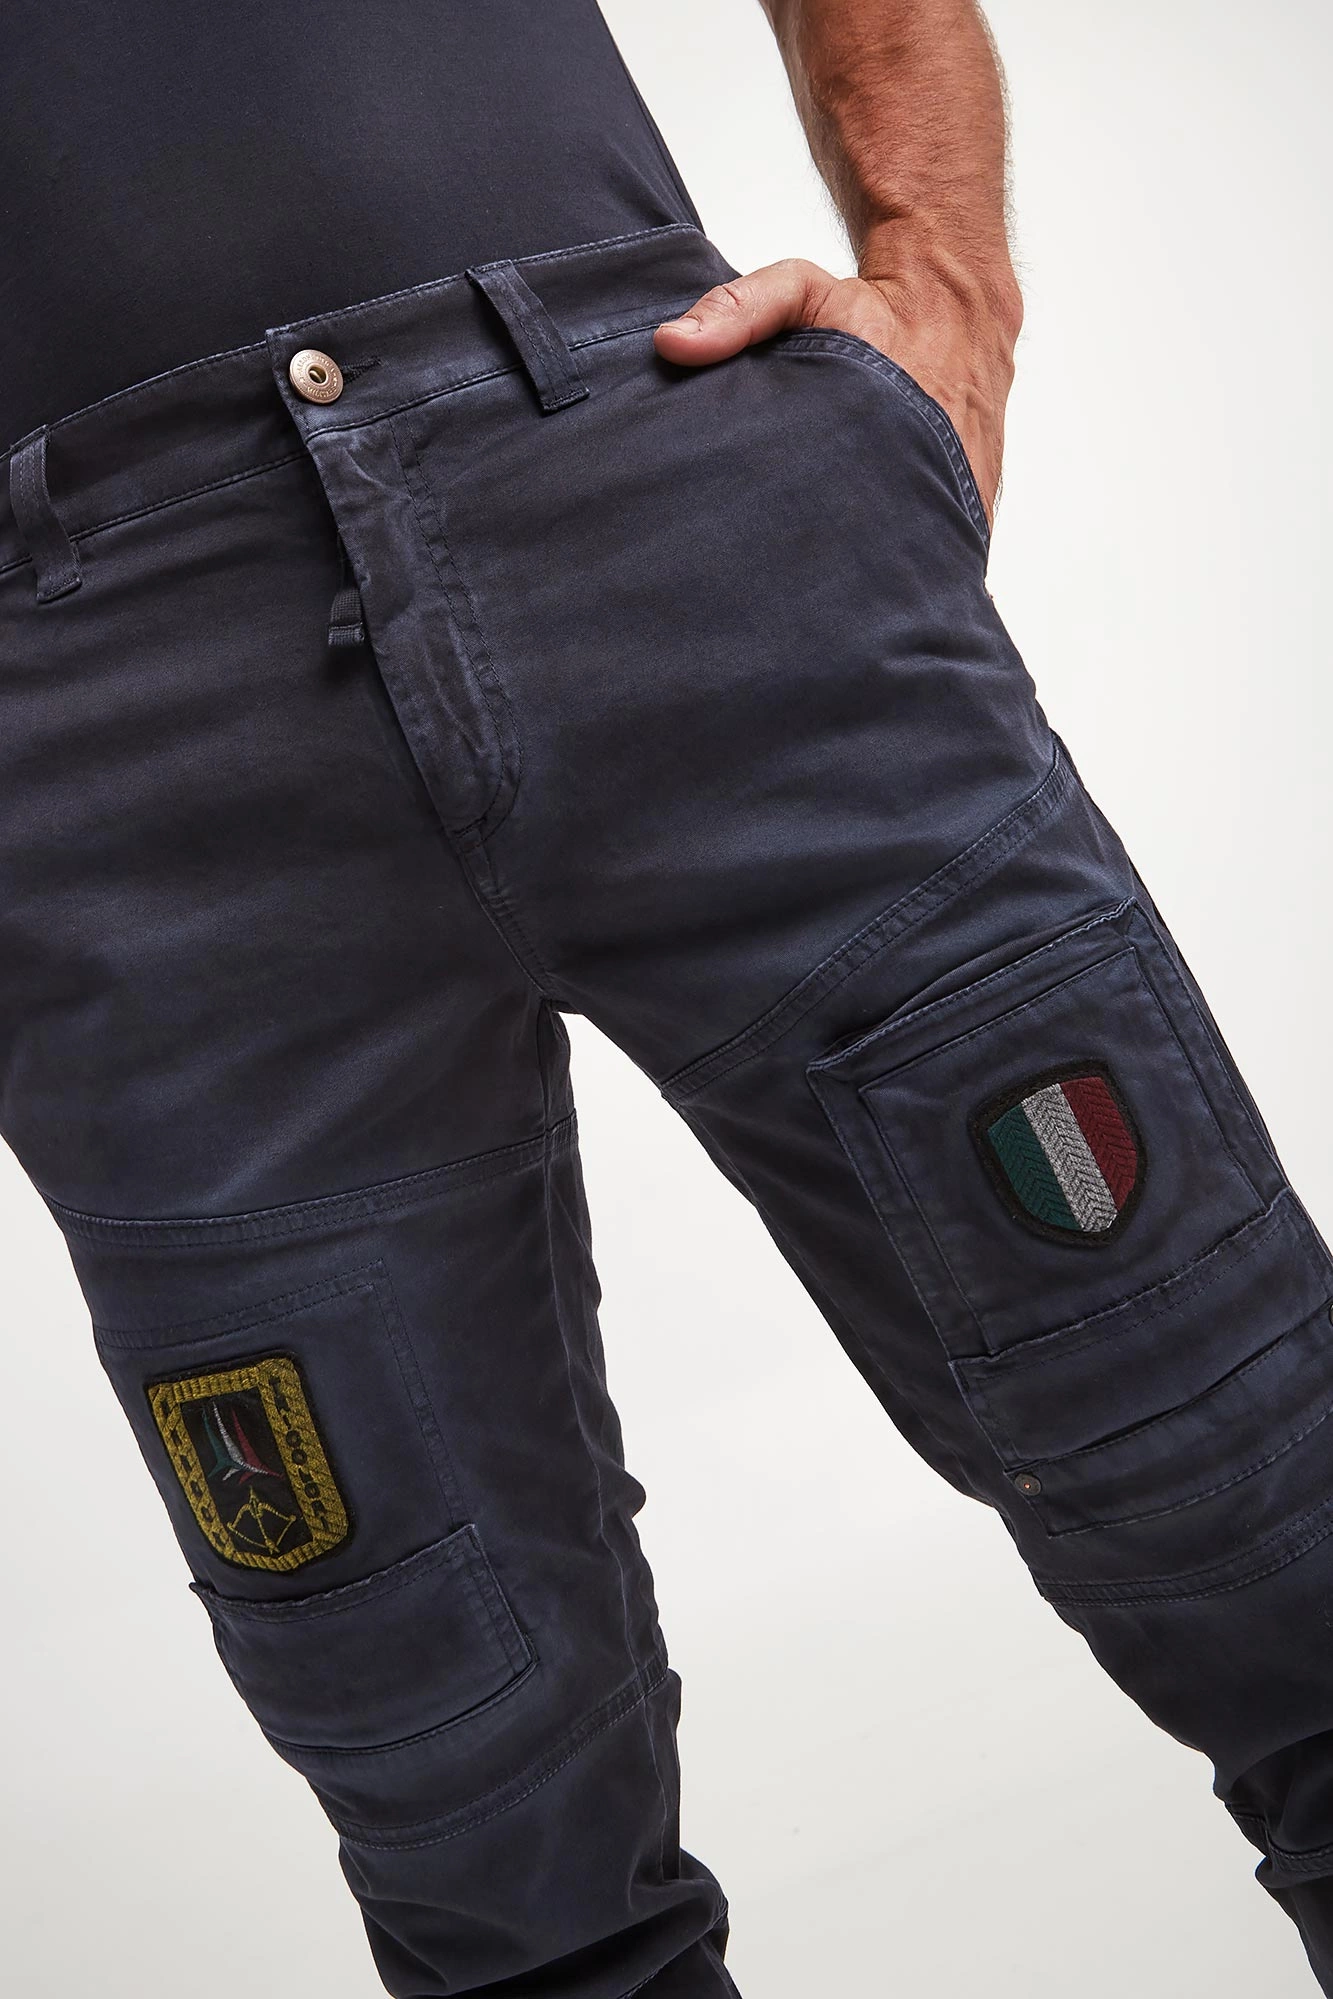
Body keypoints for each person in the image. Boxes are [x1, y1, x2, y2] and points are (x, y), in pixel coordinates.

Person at [1, 3, 1329, 1993]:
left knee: (1259, 1499)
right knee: (480, 1822)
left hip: (653, 479)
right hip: (98, 751)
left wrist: (947, 277)